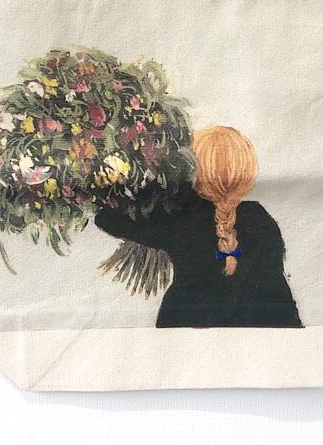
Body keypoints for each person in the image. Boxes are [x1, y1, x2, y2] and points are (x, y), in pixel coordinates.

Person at [94, 125, 302, 328]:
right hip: (266, 324)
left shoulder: (181, 217)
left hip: (186, 323)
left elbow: (106, 218)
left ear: (191, 171)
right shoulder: (260, 218)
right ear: (246, 171)